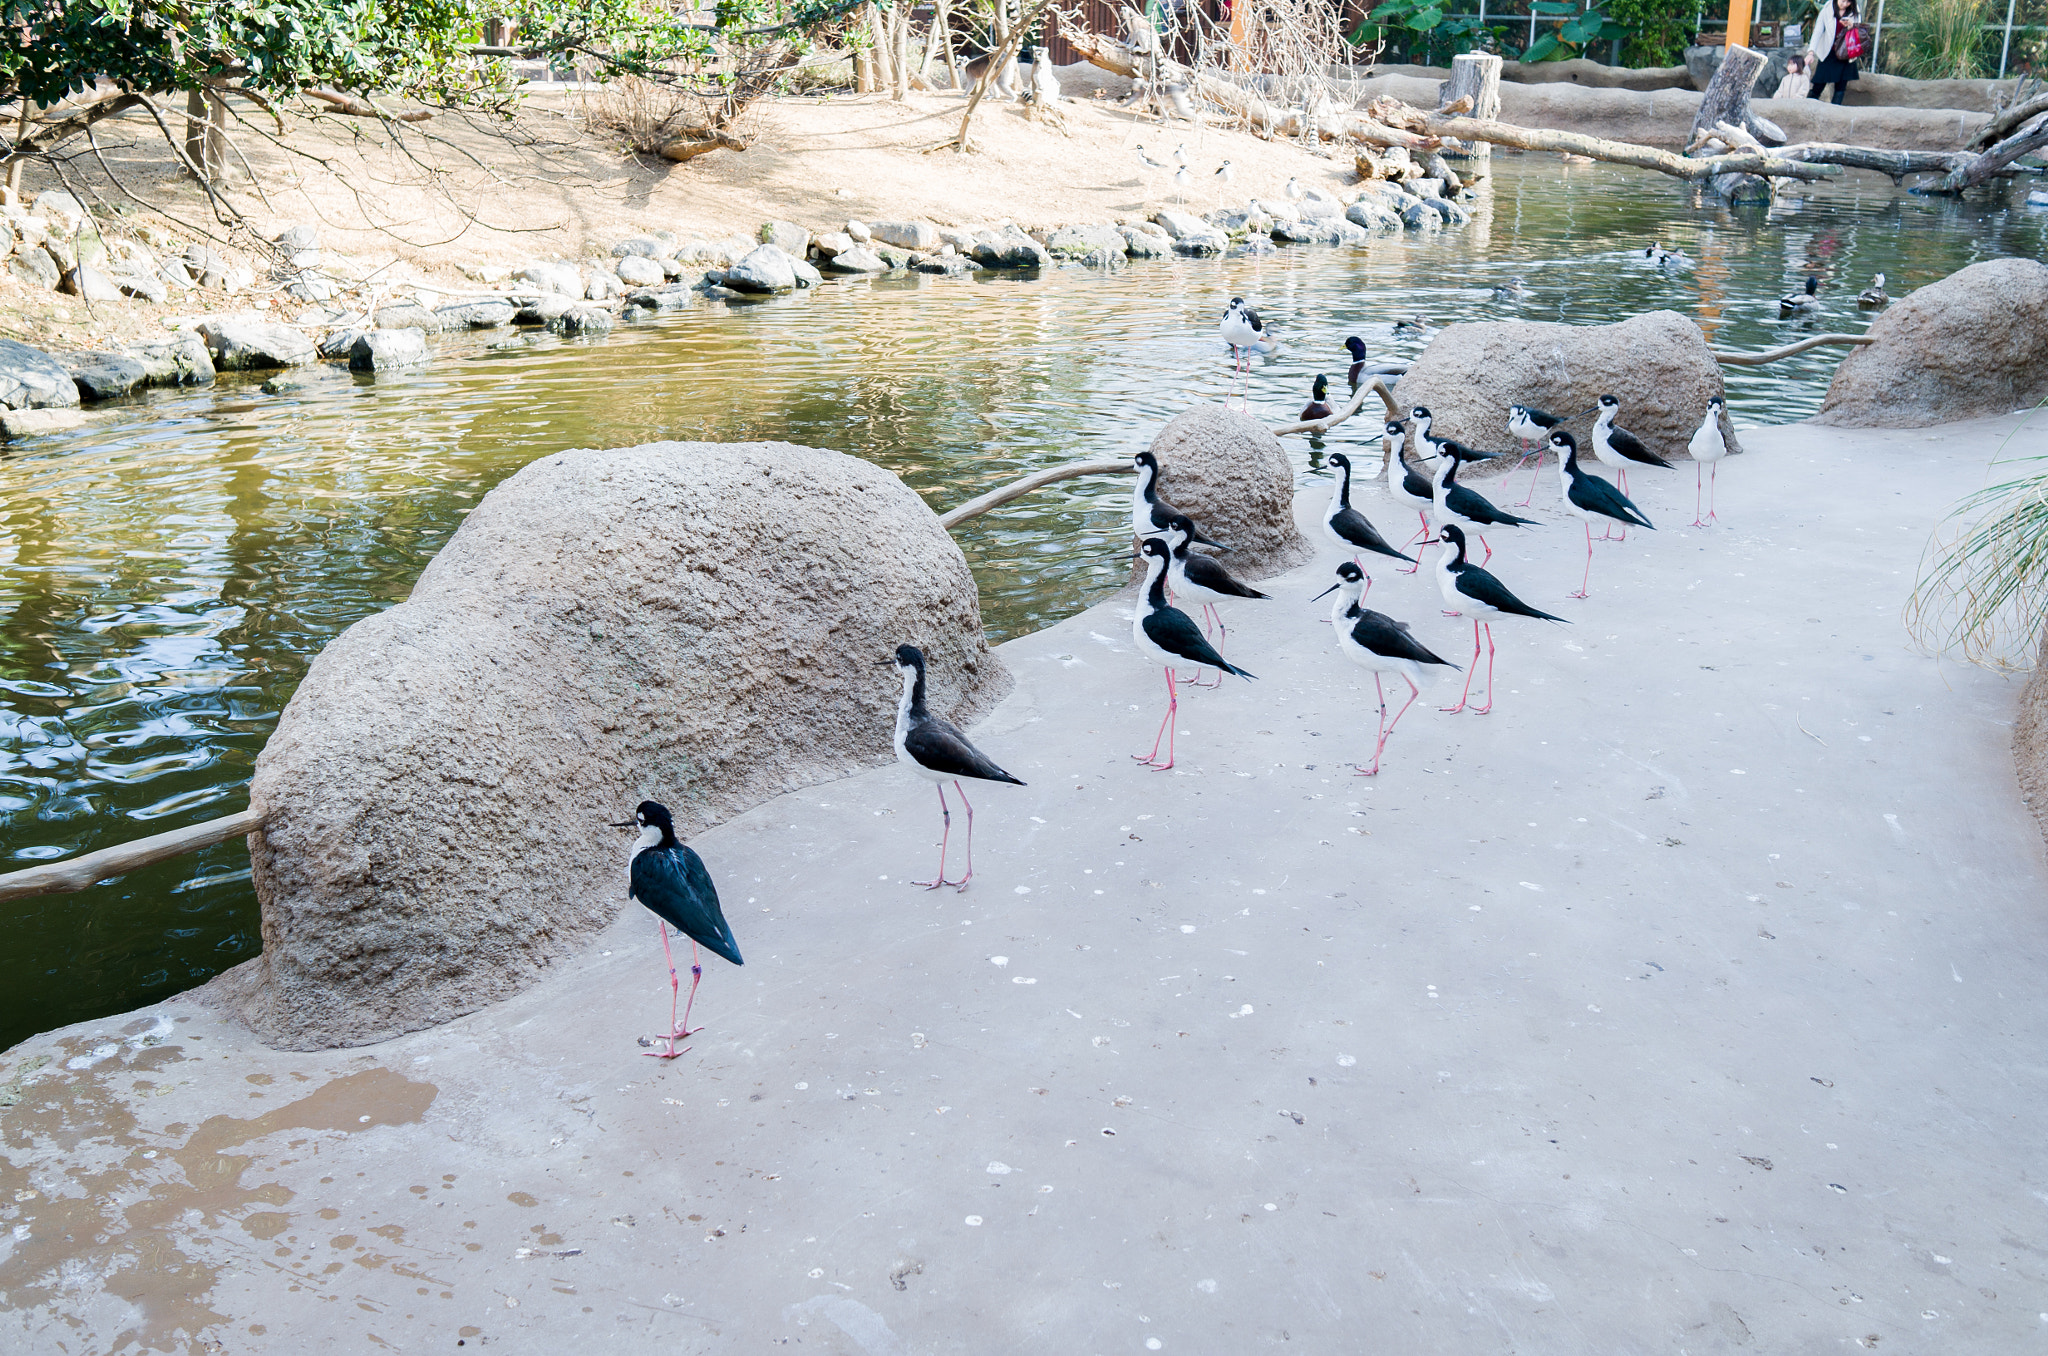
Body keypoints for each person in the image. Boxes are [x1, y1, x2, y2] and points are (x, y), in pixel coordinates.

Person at [1807, 0, 1863, 104]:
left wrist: (1851, 25)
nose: (1845, 4)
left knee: (1840, 88)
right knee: (1818, 84)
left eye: (1848, 2)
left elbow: (1858, 33)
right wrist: (1811, 52)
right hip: (1829, 52)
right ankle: (1806, 108)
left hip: (1846, 53)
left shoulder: (1855, 11)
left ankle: (1835, 113)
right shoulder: (1827, 9)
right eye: (1843, 1)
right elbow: (1818, 31)